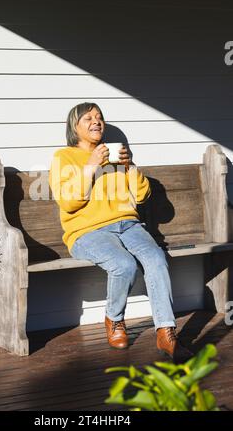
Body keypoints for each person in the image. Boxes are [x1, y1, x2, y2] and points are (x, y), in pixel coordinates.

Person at [49, 102, 192, 362]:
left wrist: (130, 168)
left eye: (100, 117)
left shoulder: (117, 157)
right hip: (86, 231)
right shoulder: (64, 157)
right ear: (75, 126)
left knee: (157, 259)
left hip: (128, 224)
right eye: (88, 118)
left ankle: (166, 332)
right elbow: (69, 202)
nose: (96, 121)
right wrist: (91, 165)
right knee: (124, 265)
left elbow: (142, 195)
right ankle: (114, 320)